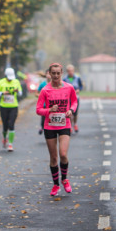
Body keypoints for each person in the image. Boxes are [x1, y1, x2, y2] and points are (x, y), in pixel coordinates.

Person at [36, 62, 78, 196]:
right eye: (53, 73)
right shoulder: (45, 90)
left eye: (58, 73)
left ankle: (64, 179)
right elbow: (38, 110)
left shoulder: (69, 88)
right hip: (50, 126)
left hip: (64, 124)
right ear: (49, 73)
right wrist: (49, 110)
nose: (55, 75)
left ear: (62, 74)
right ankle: (55, 185)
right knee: (53, 158)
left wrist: (71, 110)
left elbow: (75, 102)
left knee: (63, 154)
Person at [0, 67, 22, 151]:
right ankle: (4, 137)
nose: (10, 80)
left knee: (11, 125)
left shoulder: (16, 81)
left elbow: (21, 94)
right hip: (4, 106)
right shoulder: (0, 82)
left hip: (14, 106)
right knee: (5, 126)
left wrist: (17, 91)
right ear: (5, 75)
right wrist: (3, 93)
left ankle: (10, 144)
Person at [63, 64, 84, 133]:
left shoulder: (77, 78)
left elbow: (81, 86)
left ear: (73, 71)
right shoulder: (65, 79)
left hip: (76, 98)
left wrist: (78, 90)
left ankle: (75, 124)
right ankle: (70, 126)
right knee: (69, 113)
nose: (70, 72)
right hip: (67, 99)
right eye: (69, 71)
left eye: (71, 71)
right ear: (67, 72)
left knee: (75, 113)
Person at [37, 69, 50, 135]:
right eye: (47, 74)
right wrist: (41, 96)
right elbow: (36, 93)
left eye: (50, 74)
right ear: (45, 75)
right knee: (44, 118)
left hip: (53, 104)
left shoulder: (56, 84)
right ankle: (42, 127)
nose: (49, 75)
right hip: (44, 104)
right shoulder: (43, 84)